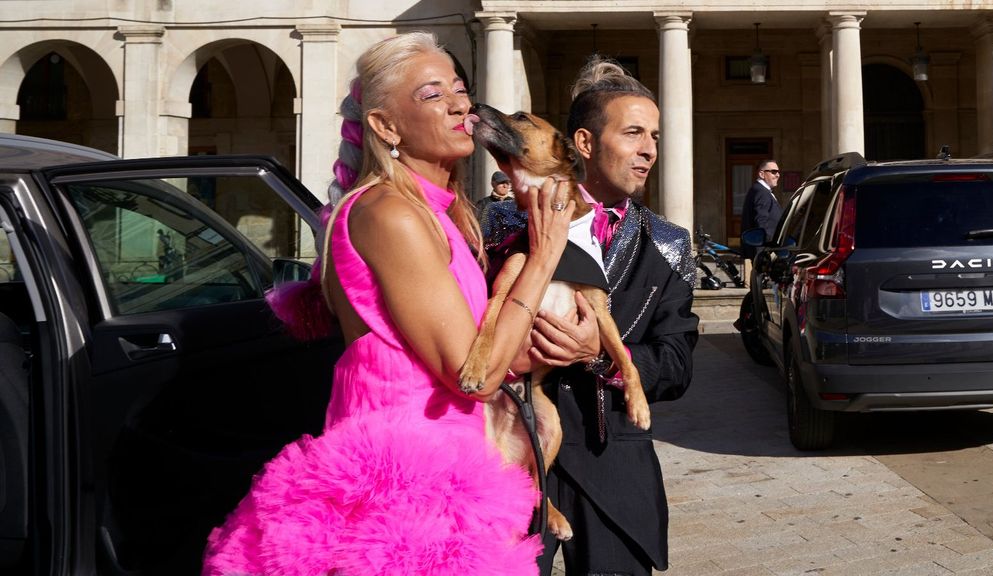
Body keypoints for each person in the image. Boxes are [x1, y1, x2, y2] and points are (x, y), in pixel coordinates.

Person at [202, 32, 575, 576]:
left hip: (455, 472)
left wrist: (573, 345)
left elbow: (486, 355)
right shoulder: (391, 214)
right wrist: (542, 258)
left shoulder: (438, 214)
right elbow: (473, 376)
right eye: (431, 94)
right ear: (384, 126)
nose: (459, 104)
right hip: (402, 488)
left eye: (459, 88)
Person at [485, 56, 699, 575]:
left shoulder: (669, 244)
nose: (648, 149)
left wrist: (602, 354)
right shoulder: (501, 221)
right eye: (632, 133)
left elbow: (676, 363)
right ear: (584, 143)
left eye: (654, 136)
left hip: (612, 465)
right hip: (509, 457)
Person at [739, 159, 783, 286]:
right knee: (762, 290)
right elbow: (761, 220)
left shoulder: (761, 190)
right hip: (764, 251)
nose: (777, 175)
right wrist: (767, 249)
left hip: (764, 250)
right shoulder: (761, 192)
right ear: (762, 174)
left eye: (778, 172)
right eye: (773, 171)